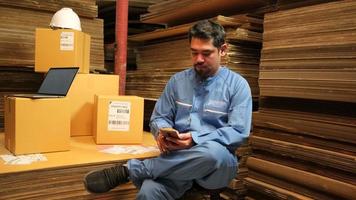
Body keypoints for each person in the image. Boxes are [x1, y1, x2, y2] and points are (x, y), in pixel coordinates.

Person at [83, 19, 252, 199]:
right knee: (149, 190)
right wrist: (161, 133)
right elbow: (158, 117)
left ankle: (128, 171)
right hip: (177, 158)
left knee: (212, 152)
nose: (199, 59)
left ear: (223, 50)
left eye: (206, 53)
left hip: (216, 166)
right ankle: (146, 173)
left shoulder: (237, 85)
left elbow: (238, 131)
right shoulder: (177, 82)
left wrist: (195, 139)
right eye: (194, 53)